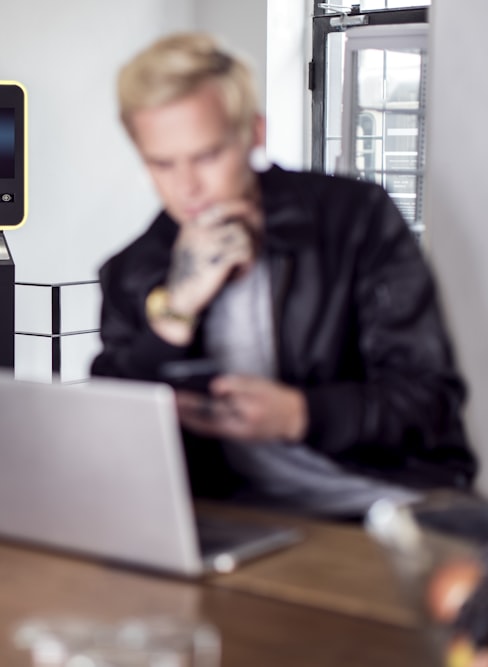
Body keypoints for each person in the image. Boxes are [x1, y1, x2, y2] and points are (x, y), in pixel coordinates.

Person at [91, 32, 477, 518]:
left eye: (207, 156)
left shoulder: (356, 220)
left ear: (254, 133)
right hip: (232, 518)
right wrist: (176, 312)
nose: (187, 187)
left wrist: (301, 414)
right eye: (162, 164)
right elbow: (111, 432)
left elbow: (430, 401)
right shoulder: (134, 268)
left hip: (385, 508)